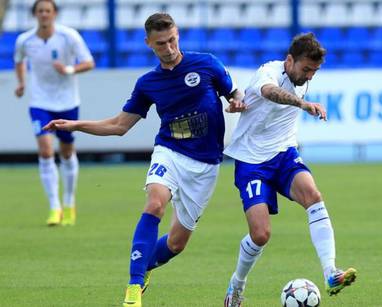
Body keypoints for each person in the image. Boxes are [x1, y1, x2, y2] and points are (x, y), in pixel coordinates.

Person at [44, 13, 246, 307]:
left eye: (173, 40)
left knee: (177, 243)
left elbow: (234, 92)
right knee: (154, 203)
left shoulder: (206, 63)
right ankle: (133, 288)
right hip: (170, 152)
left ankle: (146, 266)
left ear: (178, 35)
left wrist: (237, 101)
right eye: (161, 43)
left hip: (206, 164)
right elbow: (119, 126)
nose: (169, 48)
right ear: (149, 44)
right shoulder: (148, 83)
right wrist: (75, 125)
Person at [223, 33, 357, 307]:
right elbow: (270, 93)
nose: (309, 77)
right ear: (289, 60)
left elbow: (296, 86)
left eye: (315, 71)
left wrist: (303, 96)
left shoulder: (302, 78)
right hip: (251, 161)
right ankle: (237, 284)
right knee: (261, 234)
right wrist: (302, 104)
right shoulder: (267, 73)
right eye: (306, 69)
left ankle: (330, 272)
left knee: (313, 196)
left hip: (283, 153)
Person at [13, 0, 95, 226]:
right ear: (35, 15)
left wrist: (69, 69)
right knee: (46, 151)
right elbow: (19, 61)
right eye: (40, 11)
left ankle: (69, 202)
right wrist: (21, 83)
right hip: (40, 102)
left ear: (54, 13)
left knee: (67, 152)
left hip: (67, 101)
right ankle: (54, 207)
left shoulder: (69, 36)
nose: (44, 15)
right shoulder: (25, 40)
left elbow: (89, 62)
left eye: (48, 11)